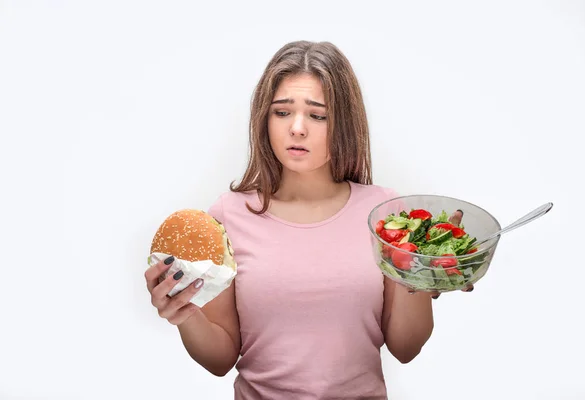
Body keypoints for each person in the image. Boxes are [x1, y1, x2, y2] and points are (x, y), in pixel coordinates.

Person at [144, 40, 473, 399]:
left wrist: (422, 273)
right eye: (282, 112)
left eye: (318, 115)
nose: (297, 128)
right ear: (264, 118)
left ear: (344, 123)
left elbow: (405, 349)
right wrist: (186, 313)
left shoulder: (385, 215)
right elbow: (221, 358)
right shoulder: (228, 215)